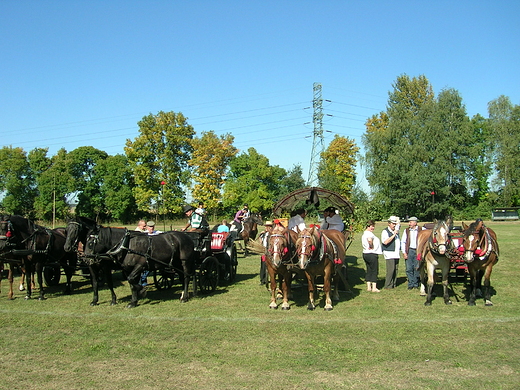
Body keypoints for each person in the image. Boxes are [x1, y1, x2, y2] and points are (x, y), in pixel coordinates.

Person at [400, 216, 423, 290]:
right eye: (409, 222)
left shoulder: (422, 230)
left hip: (418, 251)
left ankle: (416, 283)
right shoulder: (406, 231)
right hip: (409, 250)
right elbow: (403, 242)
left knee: (417, 267)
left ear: (415, 223)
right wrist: (404, 252)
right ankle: (411, 283)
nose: (409, 223)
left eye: (410, 222)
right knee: (409, 268)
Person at [361, 220, 382, 292]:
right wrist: (371, 245)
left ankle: (368, 286)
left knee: (369, 269)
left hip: (365, 253)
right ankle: (374, 287)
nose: (373, 228)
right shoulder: (369, 234)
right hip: (372, 253)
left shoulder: (364, 234)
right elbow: (369, 240)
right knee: (374, 270)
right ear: (368, 227)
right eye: (372, 226)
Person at [381, 216, 401, 289]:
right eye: (393, 223)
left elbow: (399, 224)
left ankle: (393, 284)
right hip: (389, 253)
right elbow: (385, 242)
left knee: (395, 269)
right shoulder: (385, 231)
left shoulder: (395, 231)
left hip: (396, 253)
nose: (394, 225)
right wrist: (394, 235)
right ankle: (388, 285)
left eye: (395, 224)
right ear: (389, 224)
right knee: (391, 270)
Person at [258, 220, 274, 285]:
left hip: (270, 251)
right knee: (263, 266)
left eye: (268, 227)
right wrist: (260, 235)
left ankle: (271, 278)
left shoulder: (272, 234)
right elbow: (260, 242)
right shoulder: (264, 234)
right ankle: (263, 279)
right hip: (264, 251)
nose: (266, 228)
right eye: (266, 227)